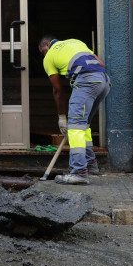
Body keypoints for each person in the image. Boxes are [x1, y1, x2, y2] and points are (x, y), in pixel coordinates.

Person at [38, 34, 110, 184]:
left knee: (75, 128)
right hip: (103, 81)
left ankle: (79, 172)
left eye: (42, 51)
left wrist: (62, 117)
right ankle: (90, 165)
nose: (43, 55)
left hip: (86, 82)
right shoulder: (76, 41)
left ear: (46, 44)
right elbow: (101, 64)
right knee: (84, 126)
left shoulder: (49, 57)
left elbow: (58, 90)